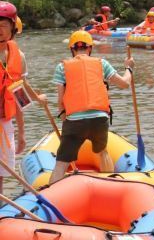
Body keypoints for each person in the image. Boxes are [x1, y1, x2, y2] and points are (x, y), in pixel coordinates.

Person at [49, 30, 134, 184]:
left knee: (62, 162)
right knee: (102, 152)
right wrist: (129, 68)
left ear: (72, 49)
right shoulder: (102, 63)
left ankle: (49, 197)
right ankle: (111, 186)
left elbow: (60, 101)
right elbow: (124, 84)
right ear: (90, 48)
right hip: (99, 119)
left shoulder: (62, 67)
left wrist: (65, 120)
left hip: (74, 121)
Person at [0, 2, 32, 194]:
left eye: (3, 26)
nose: (0, 31)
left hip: (5, 122)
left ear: (12, 27)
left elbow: (19, 97)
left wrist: (22, 133)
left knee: (2, 171)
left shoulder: (18, 56)